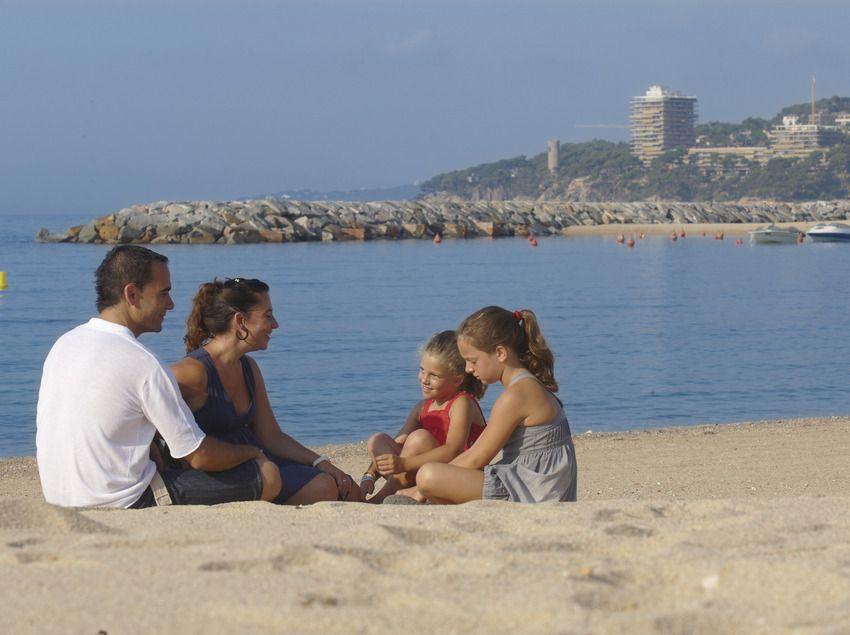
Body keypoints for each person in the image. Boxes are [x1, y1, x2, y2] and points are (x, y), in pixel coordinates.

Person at [36, 246, 282, 509]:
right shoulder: (143, 361)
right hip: (122, 499)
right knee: (267, 475)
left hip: (58, 495)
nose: (171, 304)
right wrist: (253, 451)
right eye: (163, 294)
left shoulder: (65, 343)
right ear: (132, 294)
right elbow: (200, 455)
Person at [171, 277, 360, 505]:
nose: (275, 325)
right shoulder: (192, 372)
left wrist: (321, 462)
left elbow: (271, 436)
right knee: (326, 487)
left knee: (346, 486)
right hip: (227, 472)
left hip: (261, 460)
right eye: (268, 316)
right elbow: (149, 407)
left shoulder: (248, 368)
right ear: (240, 321)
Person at [415, 306, 577, 504]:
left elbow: (476, 458)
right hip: (532, 485)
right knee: (436, 476)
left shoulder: (516, 395)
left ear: (500, 353)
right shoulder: (528, 385)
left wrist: (419, 490)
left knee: (429, 475)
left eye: (472, 361)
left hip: (532, 492)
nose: (468, 369)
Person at [361, 330, 486, 504]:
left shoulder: (461, 403)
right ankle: (403, 491)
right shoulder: (422, 407)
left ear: (457, 380)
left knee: (419, 438)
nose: (424, 380)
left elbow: (453, 450)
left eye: (434, 375)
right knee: (378, 440)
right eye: (422, 370)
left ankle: (381, 499)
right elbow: (398, 443)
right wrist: (370, 475)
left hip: (454, 473)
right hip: (420, 469)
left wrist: (404, 464)